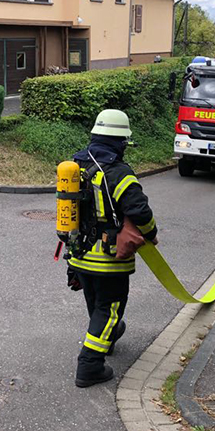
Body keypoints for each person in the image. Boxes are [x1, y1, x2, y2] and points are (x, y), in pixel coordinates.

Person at [67, 109, 159, 388]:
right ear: (120, 142)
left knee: (97, 304)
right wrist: (152, 234)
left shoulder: (76, 166)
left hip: (79, 254)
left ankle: (108, 337)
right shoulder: (119, 173)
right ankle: (89, 364)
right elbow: (140, 212)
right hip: (108, 259)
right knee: (110, 308)